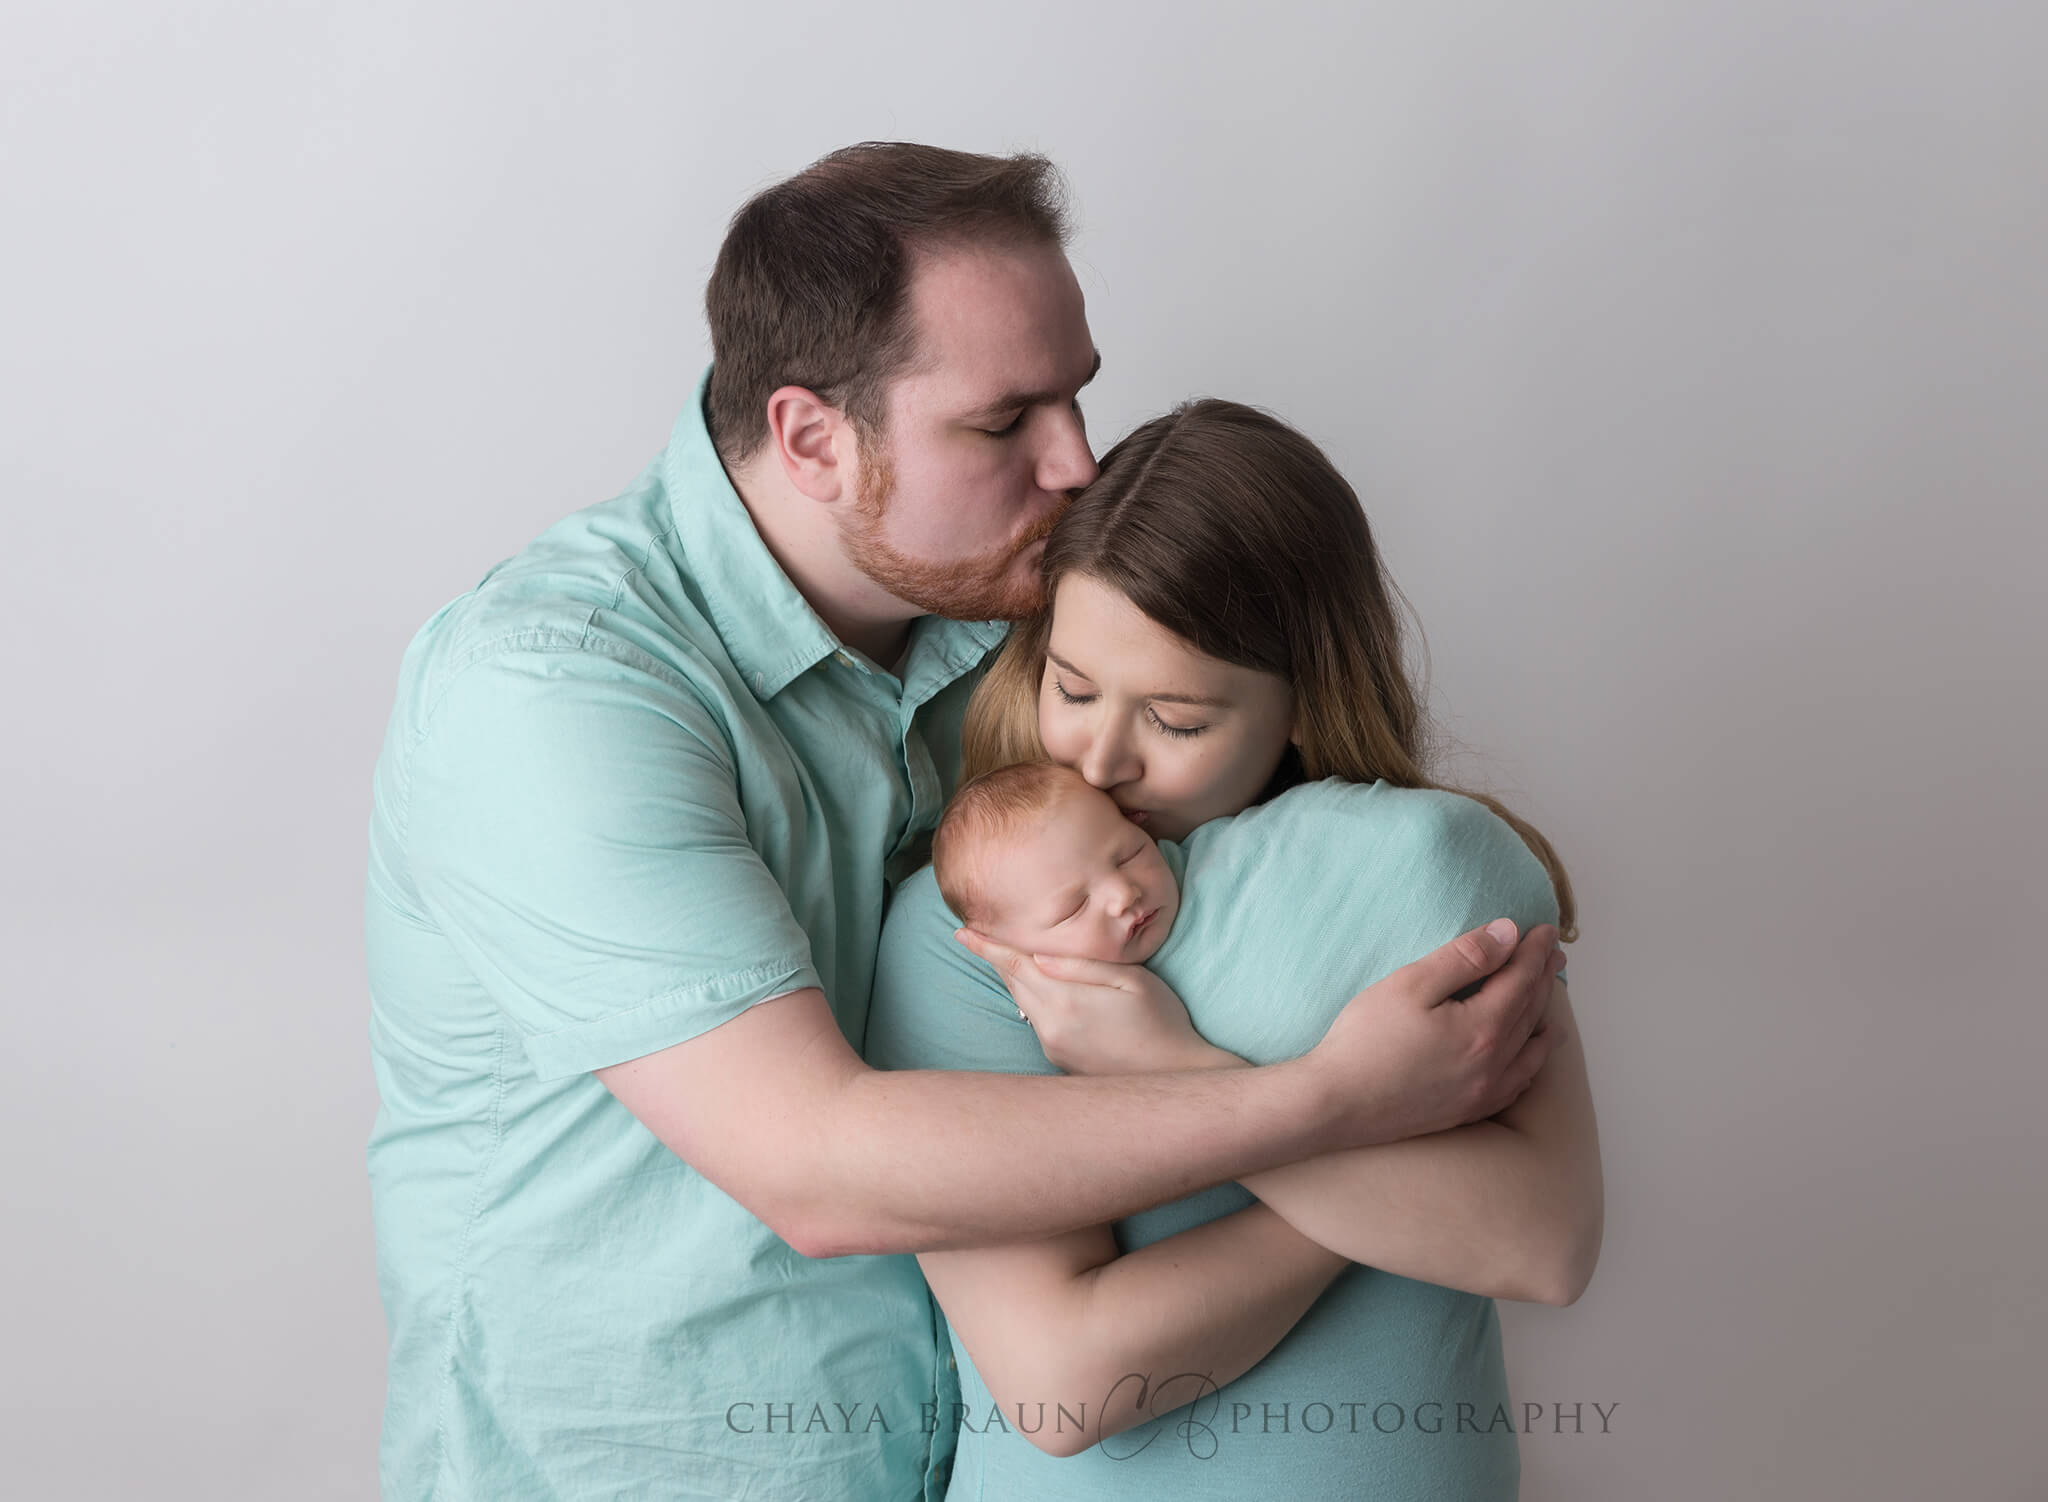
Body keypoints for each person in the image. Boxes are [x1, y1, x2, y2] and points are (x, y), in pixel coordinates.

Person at [364, 143, 1566, 1500]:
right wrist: (1345, 1106)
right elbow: (816, 1162)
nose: (1077, 464)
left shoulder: (1014, 659)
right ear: (811, 437)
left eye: (1077, 397)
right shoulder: (554, 689)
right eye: (1006, 423)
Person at [864, 399, 1603, 1497]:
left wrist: (1170, 1071)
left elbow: (1540, 1244)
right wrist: (1377, 1114)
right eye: (1072, 687)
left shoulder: (1416, 876)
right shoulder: (989, 931)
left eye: (1173, 717)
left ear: (1303, 703)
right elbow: (1068, 1382)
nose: (1101, 757)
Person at [931, 761, 1180, 965]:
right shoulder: (1068, 1010)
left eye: (1129, 856)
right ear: (1001, 947)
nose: (1124, 894)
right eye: (1074, 908)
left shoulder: (1209, 856)